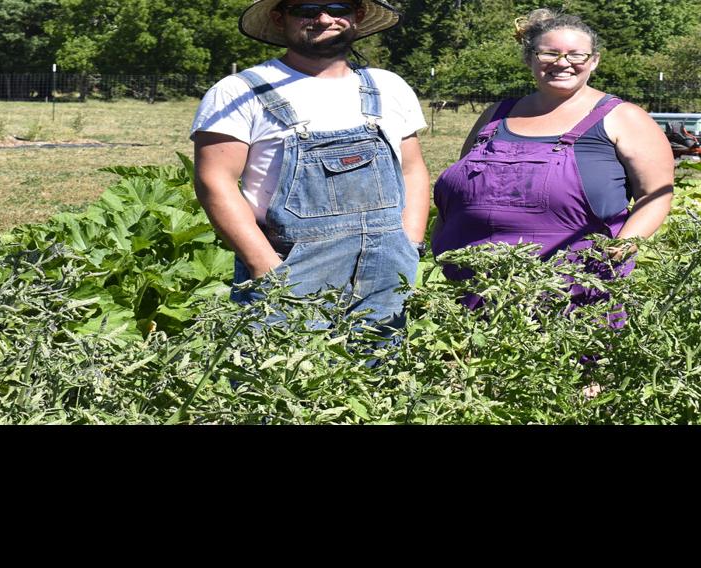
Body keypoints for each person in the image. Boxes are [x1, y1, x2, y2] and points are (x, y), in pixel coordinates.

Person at [190, 1, 430, 345]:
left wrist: (409, 244)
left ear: (357, 16)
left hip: (386, 272)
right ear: (279, 18)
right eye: (307, 7)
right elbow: (215, 181)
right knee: (284, 387)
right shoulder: (240, 91)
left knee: (380, 383)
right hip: (290, 270)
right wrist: (264, 267)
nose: (323, 18)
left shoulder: (389, 86)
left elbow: (413, 169)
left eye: (338, 6)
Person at [430, 9, 675, 326]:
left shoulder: (622, 117)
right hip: (479, 289)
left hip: (577, 288)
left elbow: (656, 194)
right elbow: (460, 189)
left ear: (594, 61)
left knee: (577, 371)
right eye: (549, 53)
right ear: (529, 58)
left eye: (577, 55)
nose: (563, 63)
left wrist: (626, 244)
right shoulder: (496, 115)